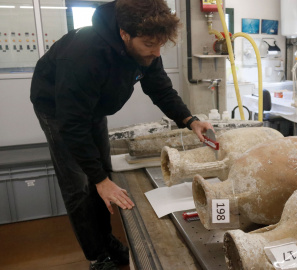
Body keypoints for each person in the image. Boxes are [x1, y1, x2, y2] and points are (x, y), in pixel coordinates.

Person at [30, 0, 213, 269]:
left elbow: (159, 88)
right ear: (124, 34)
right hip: (58, 109)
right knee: (81, 184)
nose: (155, 52)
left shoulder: (147, 48)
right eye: (150, 45)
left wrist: (190, 120)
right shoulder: (85, 55)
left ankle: (106, 239)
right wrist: (99, 180)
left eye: (161, 45)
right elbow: (72, 125)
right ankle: (97, 256)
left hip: (92, 107)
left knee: (103, 172)